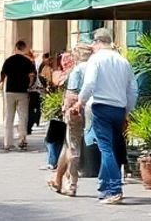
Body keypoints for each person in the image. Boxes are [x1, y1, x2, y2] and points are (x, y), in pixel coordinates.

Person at [78, 27, 138, 205]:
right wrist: (126, 111)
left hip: (101, 108)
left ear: (97, 43)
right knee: (111, 149)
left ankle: (114, 189)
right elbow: (133, 90)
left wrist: (80, 102)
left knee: (106, 149)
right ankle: (104, 186)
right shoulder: (123, 61)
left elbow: (89, 83)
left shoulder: (95, 59)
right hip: (119, 109)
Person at [51, 43, 92, 197]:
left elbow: (72, 94)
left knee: (73, 147)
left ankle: (72, 183)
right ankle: (57, 178)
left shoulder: (78, 70)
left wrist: (66, 108)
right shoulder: (97, 67)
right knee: (68, 145)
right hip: (97, 109)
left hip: (77, 111)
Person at [0, 40, 36, 152]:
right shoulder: (27, 62)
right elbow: (32, 76)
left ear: (15, 48)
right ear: (24, 48)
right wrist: (29, 85)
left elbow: (3, 74)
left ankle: (7, 143)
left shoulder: (8, 60)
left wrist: (1, 84)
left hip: (10, 91)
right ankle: (22, 140)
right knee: (22, 117)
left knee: (9, 118)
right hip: (22, 92)